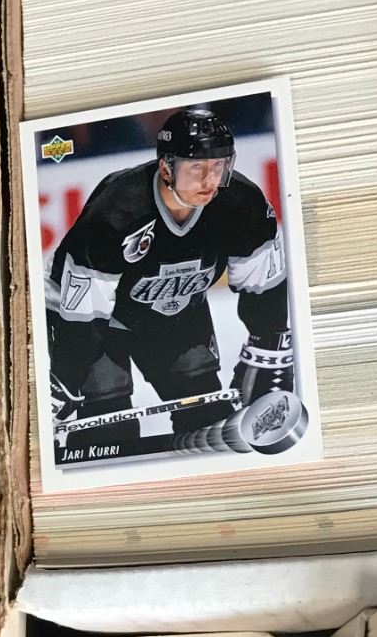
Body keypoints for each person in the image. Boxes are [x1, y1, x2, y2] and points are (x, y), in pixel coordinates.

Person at [44, 105, 293, 458]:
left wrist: (268, 343)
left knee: (209, 418)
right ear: (166, 168)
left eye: (218, 166)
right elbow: (82, 313)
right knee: (108, 430)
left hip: (174, 311)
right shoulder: (117, 211)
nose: (210, 180)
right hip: (90, 324)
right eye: (197, 168)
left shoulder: (241, 204)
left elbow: (264, 284)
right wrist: (65, 381)